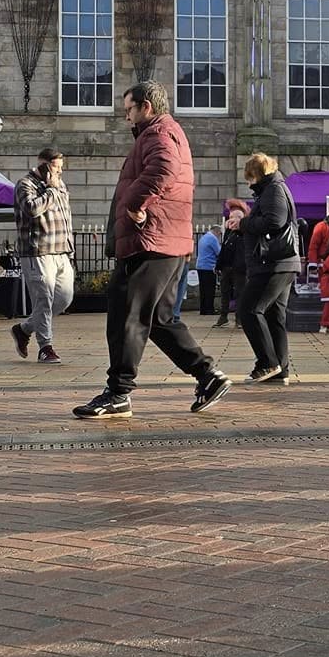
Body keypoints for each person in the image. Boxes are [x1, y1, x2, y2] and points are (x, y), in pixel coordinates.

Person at [75, 81, 229, 419]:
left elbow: (164, 169)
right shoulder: (165, 132)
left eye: (129, 109)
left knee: (125, 315)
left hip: (150, 241)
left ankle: (118, 393)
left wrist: (134, 203)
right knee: (158, 320)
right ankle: (207, 376)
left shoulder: (157, 134)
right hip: (166, 241)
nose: (126, 117)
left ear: (146, 106)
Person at [235, 155, 299, 383]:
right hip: (283, 263)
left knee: (249, 310)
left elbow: (275, 221)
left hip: (273, 263)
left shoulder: (273, 189)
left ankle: (267, 363)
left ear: (256, 174)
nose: (249, 183)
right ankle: (280, 370)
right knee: (274, 316)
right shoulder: (275, 188)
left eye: (249, 178)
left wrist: (243, 223)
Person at [11, 148, 73, 365]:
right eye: (57, 168)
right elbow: (31, 209)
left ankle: (24, 328)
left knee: (64, 299)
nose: (60, 172)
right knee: (43, 300)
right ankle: (45, 348)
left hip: (61, 250)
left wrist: (69, 245)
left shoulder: (60, 185)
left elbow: (65, 215)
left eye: (61, 168)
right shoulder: (25, 184)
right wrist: (51, 190)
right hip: (38, 250)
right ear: (45, 166)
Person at [216, 200, 247, 328]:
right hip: (227, 267)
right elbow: (223, 248)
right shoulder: (229, 233)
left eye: (236, 218)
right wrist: (219, 265)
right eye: (230, 218)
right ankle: (223, 317)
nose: (232, 220)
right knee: (225, 293)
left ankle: (239, 319)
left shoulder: (244, 232)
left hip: (240, 268)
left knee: (240, 294)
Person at [195, 222, 222, 320]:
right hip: (208, 267)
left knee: (203, 289)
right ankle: (210, 309)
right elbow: (219, 252)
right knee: (210, 290)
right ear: (217, 232)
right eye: (219, 234)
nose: (219, 236)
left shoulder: (204, 237)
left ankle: (203, 309)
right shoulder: (212, 238)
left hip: (200, 266)